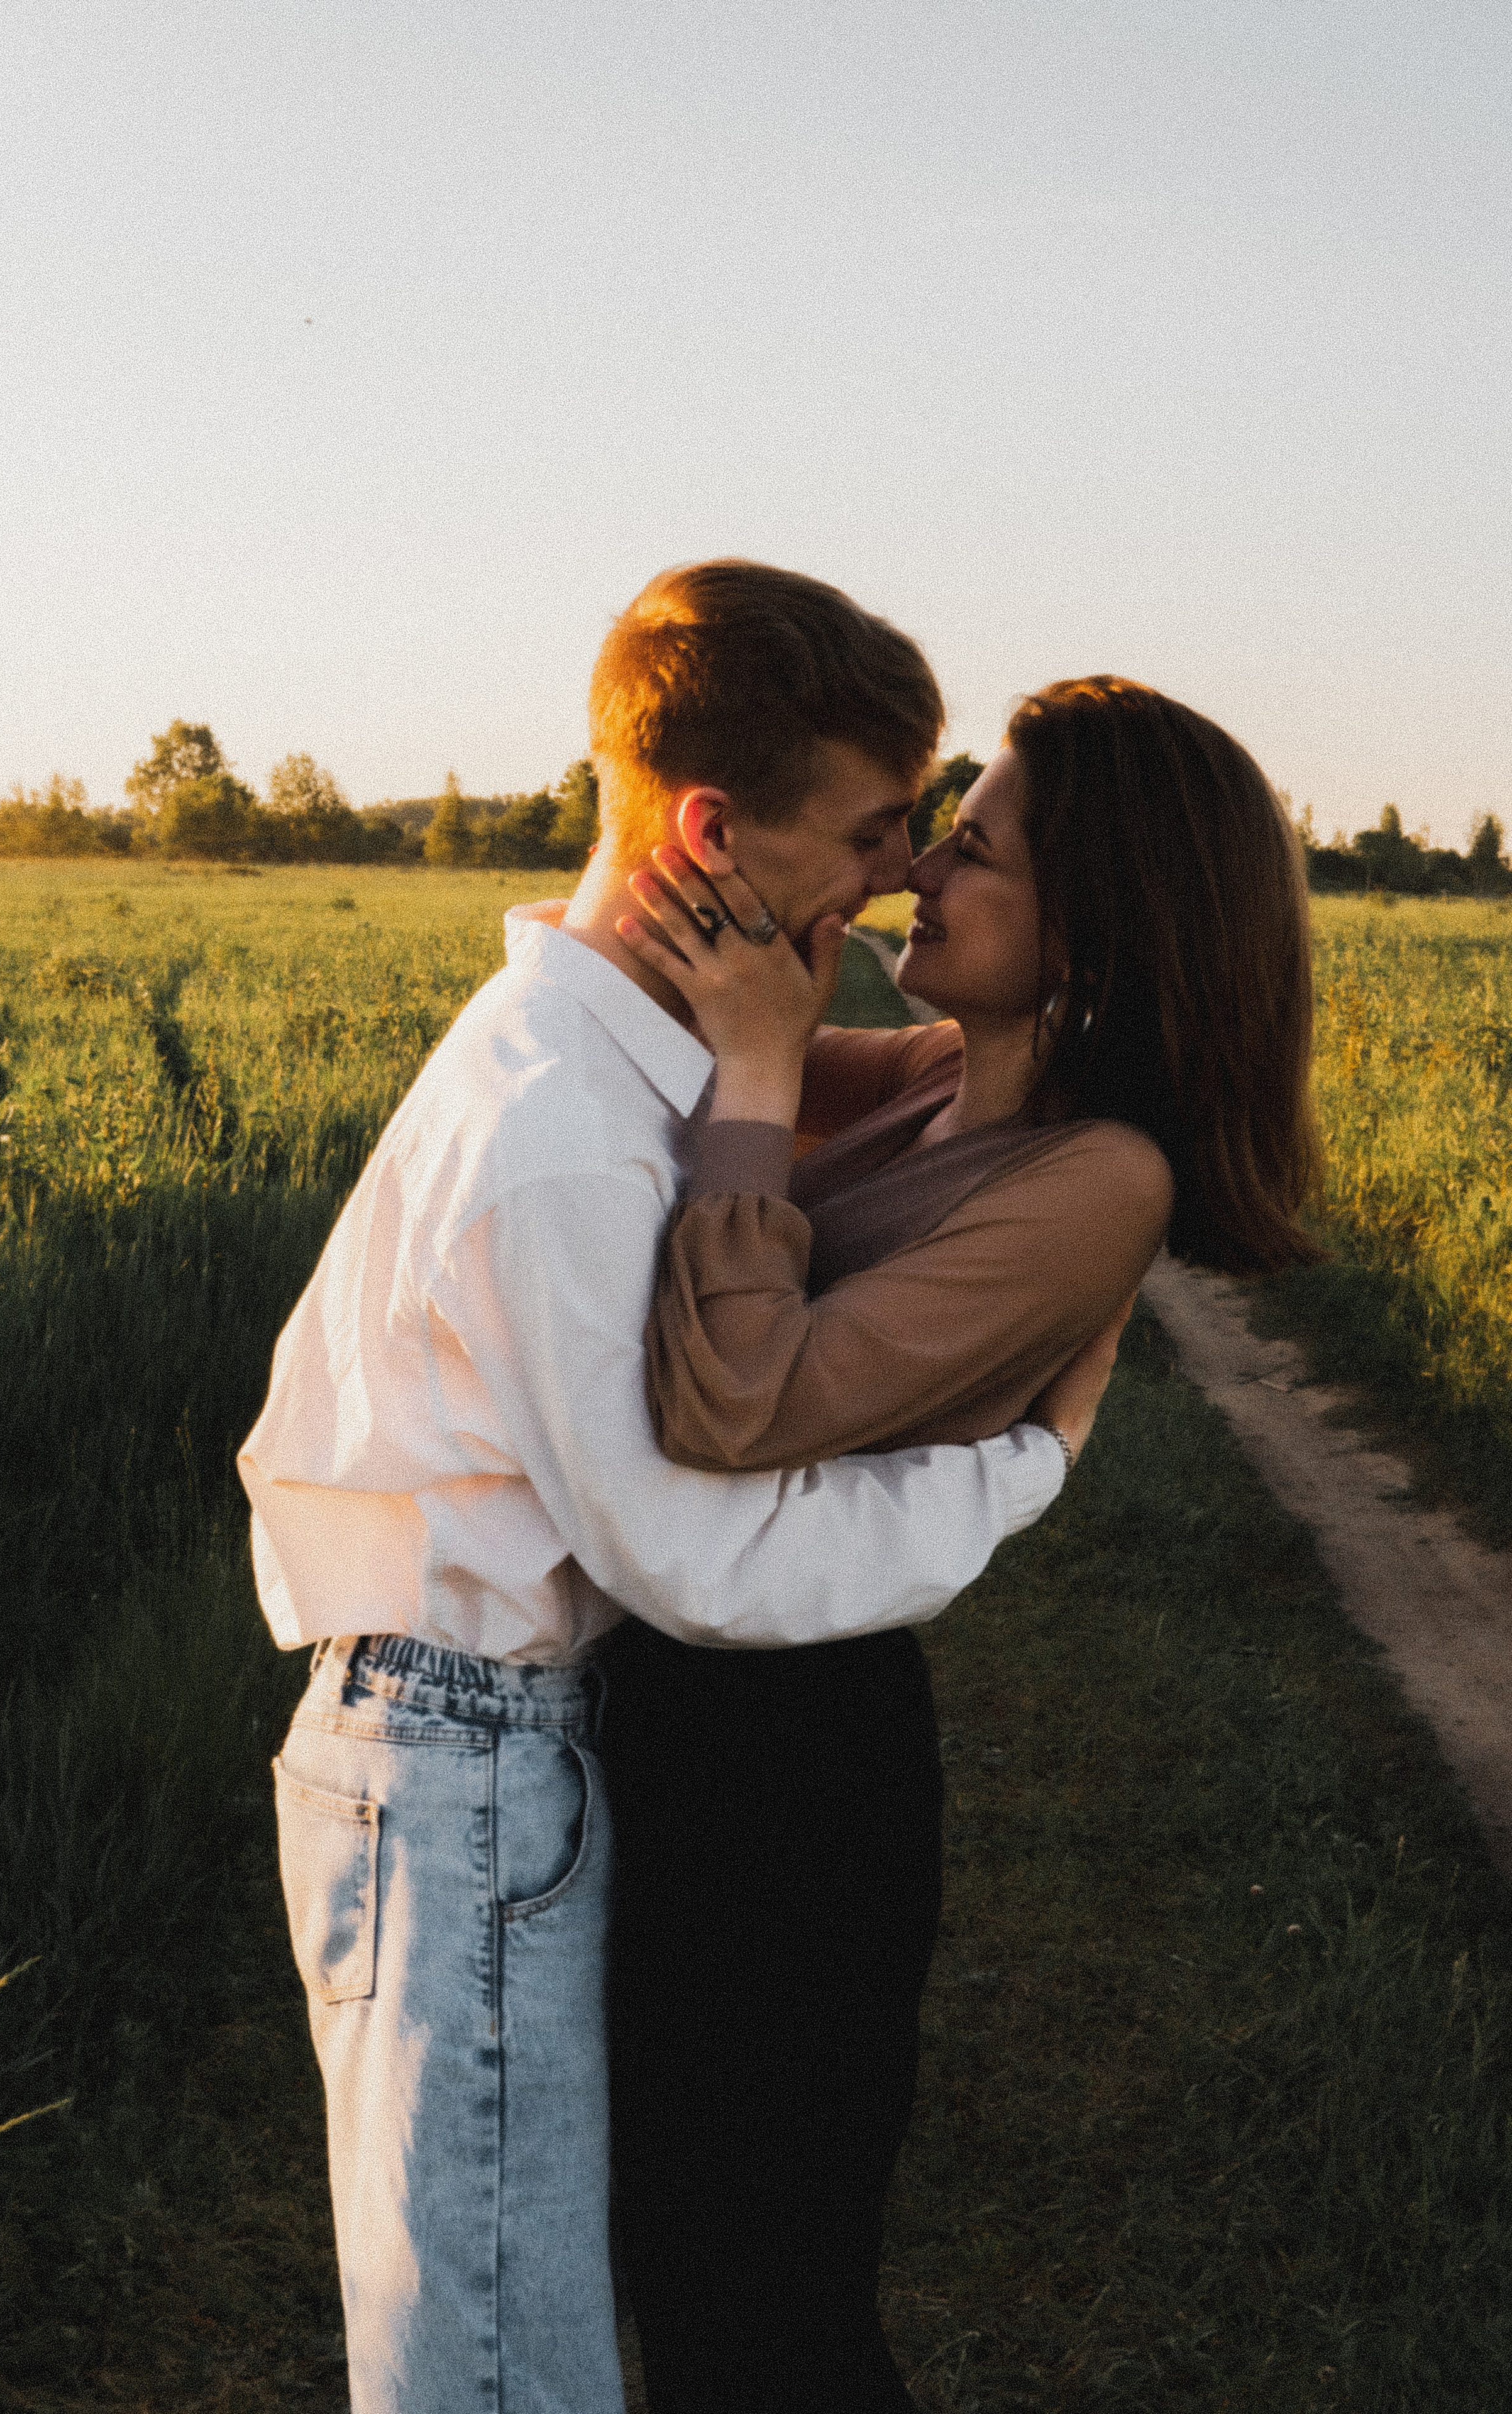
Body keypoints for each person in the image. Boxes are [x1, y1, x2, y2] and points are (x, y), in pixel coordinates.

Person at [238, 566, 1125, 2414]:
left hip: (499, 1748)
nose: (895, 876)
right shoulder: (566, 1129)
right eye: (879, 830)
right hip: (457, 1757)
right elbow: (690, 1549)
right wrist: (1017, 1472)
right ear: (713, 833)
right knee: (496, 2377)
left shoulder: (618, 1073)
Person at [602, 674, 1320, 2414]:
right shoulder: (932, 1083)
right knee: (682, 2274)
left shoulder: (1099, 1182)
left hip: (801, 1782)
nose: (921, 866)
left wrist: (766, 1074)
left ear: (1098, 916)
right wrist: (703, 862)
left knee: (766, 2315)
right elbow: (667, 1028)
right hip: (692, 1714)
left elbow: (741, 1404)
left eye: (972, 845)